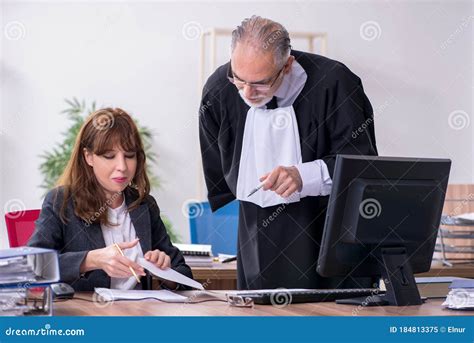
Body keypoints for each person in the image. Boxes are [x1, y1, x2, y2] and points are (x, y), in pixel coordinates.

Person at [199, 16, 377, 290]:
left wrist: (304, 175)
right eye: (239, 78)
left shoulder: (335, 83)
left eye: (260, 83)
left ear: (287, 65)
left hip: (330, 235)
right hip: (257, 236)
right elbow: (221, 171)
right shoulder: (219, 91)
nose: (247, 93)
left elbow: (362, 167)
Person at [29, 108, 192, 291]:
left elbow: (183, 273)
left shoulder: (144, 204)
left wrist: (166, 271)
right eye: (109, 156)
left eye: (129, 156)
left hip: (139, 315)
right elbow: (34, 265)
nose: (122, 167)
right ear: (88, 157)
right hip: (87, 317)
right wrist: (90, 260)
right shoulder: (61, 201)